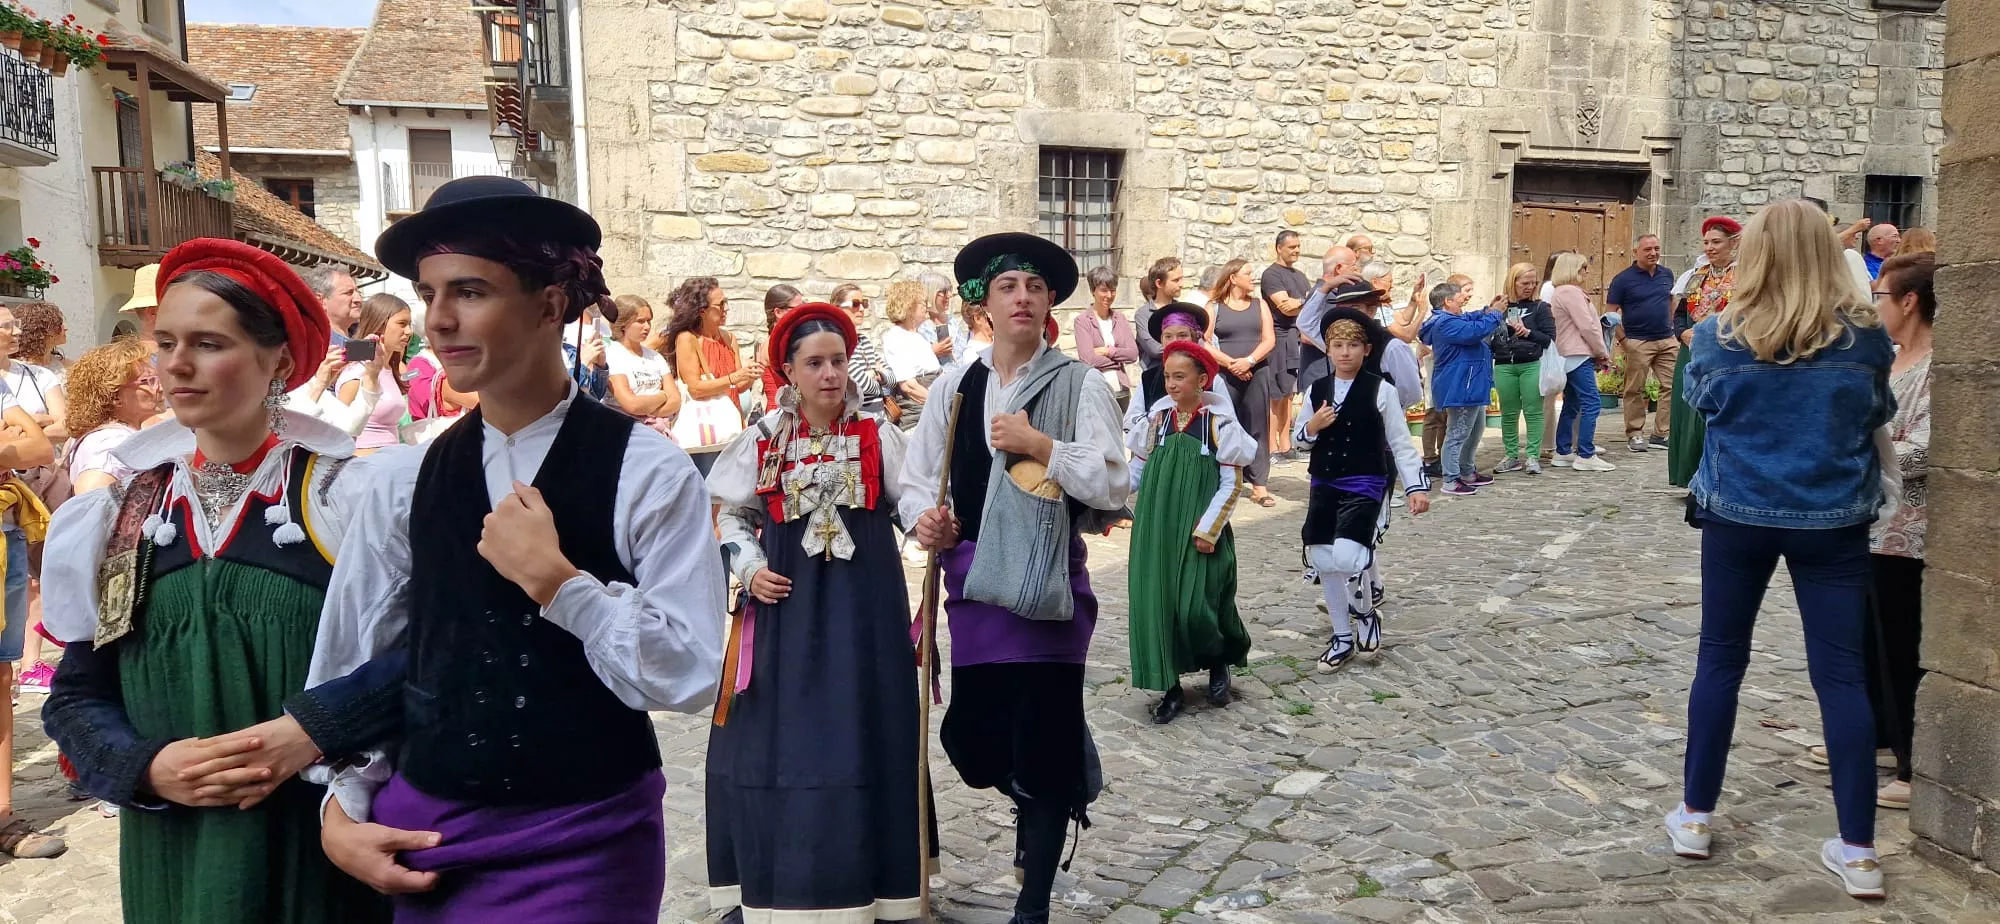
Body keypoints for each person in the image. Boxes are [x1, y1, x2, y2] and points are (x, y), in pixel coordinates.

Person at [286, 175, 725, 921]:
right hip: (429, 833)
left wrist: (563, 587)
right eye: (428, 295)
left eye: (471, 292)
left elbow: (689, 673)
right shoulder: (405, 478)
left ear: (551, 304)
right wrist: (342, 807)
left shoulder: (644, 469)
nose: (439, 321)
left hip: (587, 837)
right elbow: (357, 656)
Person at [38, 238, 383, 913]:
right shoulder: (122, 515)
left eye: (208, 343)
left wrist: (311, 729)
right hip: (175, 856)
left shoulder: (344, 499)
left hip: (310, 846)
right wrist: (146, 769)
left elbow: (419, 662)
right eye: (165, 343)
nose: (176, 366)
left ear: (278, 359)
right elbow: (75, 696)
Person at [1667, 198, 1897, 900]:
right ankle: (1858, 850)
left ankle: (1696, 816)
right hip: (1832, 519)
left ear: (1755, 255)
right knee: (1841, 676)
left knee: (1720, 659)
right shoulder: (1863, 339)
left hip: (1737, 513)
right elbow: (1876, 415)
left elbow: (1705, 406)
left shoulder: (1717, 335)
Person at [903, 232, 1128, 924]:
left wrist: (1042, 447)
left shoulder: (1080, 382)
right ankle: (1055, 783)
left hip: (1051, 592)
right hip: (975, 592)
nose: (1022, 296)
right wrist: (926, 523)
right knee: (973, 741)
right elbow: (916, 484)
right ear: (984, 306)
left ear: (1050, 301)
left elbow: (1114, 479)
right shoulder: (956, 387)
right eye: (1008, 287)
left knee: (1044, 750)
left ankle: (1034, 897)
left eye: (1035, 285)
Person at [704, 302, 924, 920]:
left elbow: (913, 504)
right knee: (787, 734)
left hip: (867, 613)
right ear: (789, 370)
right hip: (787, 613)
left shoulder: (882, 436)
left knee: (867, 726)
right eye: (815, 363)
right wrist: (748, 566)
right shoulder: (765, 439)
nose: (829, 374)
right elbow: (729, 512)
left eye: (837, 361)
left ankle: (881, 885)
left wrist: (930, 523)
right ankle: (780, 879)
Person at [1125, 340, 1255, 724]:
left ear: (1203, 380)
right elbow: (1137, 471)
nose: (1171, 384)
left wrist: (1210, 528)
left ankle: (1217, 662)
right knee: (1159, 605)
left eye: (1179, 377)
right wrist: (1106, 500)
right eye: (1167, 376)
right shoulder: (1155, 422)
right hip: (1155, 527)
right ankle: (1169, 687)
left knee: (1197, 606)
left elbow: (1230, 484)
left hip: (1199, 528)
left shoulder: (1218, 425)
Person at [1296, 305, 1429, 673]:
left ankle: (1366, 614)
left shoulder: (1380, 390)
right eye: (1337, 345)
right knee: (1324, 560)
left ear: (1366, 349)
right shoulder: (1316, 390)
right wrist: (1313, 427)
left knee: (1350, 558)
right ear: (1327, 349)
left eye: (1353, 345)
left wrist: (1415, 487)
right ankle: (1341, 636)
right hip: (1324, 481)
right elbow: (1299, 441)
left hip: (1365, 482)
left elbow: (1401, 443)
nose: (1344, 352)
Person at [1859, 251, 1935, 812]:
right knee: (1870, 640)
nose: (1874, 305)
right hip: (1871, 522)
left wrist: (1864, 456)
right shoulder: (1887, 358)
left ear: (1908, 301)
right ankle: (1880, 736)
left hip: (1911, 529)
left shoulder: (1940, 365)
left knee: (1904, 641)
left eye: (1881, 296)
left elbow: (1929, 445)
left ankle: (1913, 760)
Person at [1668, 217, 1741, 487]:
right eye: (1706, 242)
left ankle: (1717, 476)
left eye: (1716, 242)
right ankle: (1687, 474)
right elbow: (1679, 314)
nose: (1709, 248)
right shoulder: (1696, 277)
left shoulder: (1745, 276)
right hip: (1693, 349)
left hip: (1727, 349)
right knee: (1688, 411)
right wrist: (1681, 332)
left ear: (1733, 243)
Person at [668, 276, 760, 474]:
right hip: (706, 429)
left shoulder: (728, 338)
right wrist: (734, 378)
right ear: (702, 310)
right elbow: (695, 388)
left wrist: (751, 374)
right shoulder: (688, 339)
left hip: (732, 425)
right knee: (706, 489)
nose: (726, 308)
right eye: (721, 304)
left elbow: (738, 387)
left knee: (726, 495)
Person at [1418, 281, 1502, 495]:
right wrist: (1494, 315)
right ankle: (1451, 478)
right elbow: (1474, 331)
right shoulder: (1445, 323)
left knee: (1475, 429)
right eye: (1459, 297)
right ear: (1447, 301)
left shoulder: (1451, 319)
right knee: (1457, 432)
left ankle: (1466, 470)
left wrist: (1488, 310)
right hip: (1460, 385)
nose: (1464, 299)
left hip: (1469, 383)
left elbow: (1470, 318)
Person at [1206, 259, 1278, 507]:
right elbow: (1202, 341)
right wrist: (1231, 364)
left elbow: (1269, 340)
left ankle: (1259, 485)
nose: (1253, 278)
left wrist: (1248, 361)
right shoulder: (1213, 307)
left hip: (1256, 371)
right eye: (1248, 273)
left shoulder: (1260, 305)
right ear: (1233, 277)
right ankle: (1224, 480)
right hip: (1226, 373)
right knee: (1225, 425)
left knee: (1258, 424)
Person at [1607, 234, 1678, 453]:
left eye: (1656, 248)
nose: (1653, 253)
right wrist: (1624, 340)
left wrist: (1673, 325)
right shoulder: (1623, 279)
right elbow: (1610, 314)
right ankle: (1635, 433)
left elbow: (1672, 300)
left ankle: (1661, 433)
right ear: (1635, 252)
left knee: (1673, 386)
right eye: (1647, 249)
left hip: (1666, 340)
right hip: (1638, 341)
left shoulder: (1666, 274)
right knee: (1634, 389)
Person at [62, 339, 160, 494]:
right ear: (115, 396)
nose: (159, 389)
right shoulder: (113, 443)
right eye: (149, 382)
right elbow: (90, 492)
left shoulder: (102, 434)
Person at [1548, 253, 1616, 472]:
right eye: (1583, 268)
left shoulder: (1561, 292)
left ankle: (1563, 450)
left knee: (1572, 403)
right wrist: (1601, 351)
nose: (1586, 272)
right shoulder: (1570, 292)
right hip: (1577, 354)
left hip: (1567, 353)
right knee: (1592, 402)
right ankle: (1586, 453)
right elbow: (1587, 326)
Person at [1491, 263, 1556, 475]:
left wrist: (1527, 332)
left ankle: (1532, 456)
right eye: (1524, 283)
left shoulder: (1540, 308)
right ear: (1513, 282)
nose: (1529, 287)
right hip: (1504, 364)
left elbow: (1549, 339)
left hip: (1530, 363)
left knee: (1533, 411)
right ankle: (1511, 455)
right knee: (1508, 412)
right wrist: (1491, 313)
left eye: (1533, 283)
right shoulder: (1500, 306)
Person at [336, 294, 414, 454]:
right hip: (364, 464)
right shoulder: (357, 371)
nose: (409, 331)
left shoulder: (391, 369)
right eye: (402, 324)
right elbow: (339, 430)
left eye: (409, 324)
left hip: (389, 461)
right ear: (380, 326)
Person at [1261, 231, 1311, 462]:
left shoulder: (1300, 276)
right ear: (1279, 248)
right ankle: (1271, 448)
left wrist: (1298, 303)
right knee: (1275, 395)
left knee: (1289, 393)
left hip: (1295, 337)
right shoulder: (1271, 275)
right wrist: (1303, 301)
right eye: (1291, 247)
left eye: (1298, 246)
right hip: (1278, 337)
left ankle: (1285, 445)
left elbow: (1307, 308)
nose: (1296, 251)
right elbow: (1285, 307)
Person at [604, 294, 680, 435]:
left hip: (659, 432)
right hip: (625, 433)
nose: (647, 326)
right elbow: (631, 404)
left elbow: (675, 400)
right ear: (623, 324)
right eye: (640, 321)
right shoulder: (613, 355)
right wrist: (662, 396)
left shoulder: (655, 357)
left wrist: (646, 411)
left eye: (649, 321)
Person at [1072, 265, 1139, 411]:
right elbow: (1088, 359)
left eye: (1113, 290)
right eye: (1104, 290)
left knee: (1119, 432)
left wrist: (1108, 351)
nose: (1109, 295)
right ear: (1093, 291)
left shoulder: (1120, 319)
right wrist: (1118, 360)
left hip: (1121, 390)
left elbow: (1133, 354)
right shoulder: (1082, 321)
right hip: (1096, 389)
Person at [880, 279, 944, 428]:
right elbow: (909, 386)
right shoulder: (896, 337)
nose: (927, 306)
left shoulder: (918, 335)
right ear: (909, 306)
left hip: (932, 403)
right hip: (918, 412)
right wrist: (938, 405)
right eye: (922, 302)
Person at [757, 284, 806, 410]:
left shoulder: (779, 340)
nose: (802, 313)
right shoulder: (774, 343)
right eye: (797, 309)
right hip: (780, 414)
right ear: (778, 312)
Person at [1133, 257, 1184, 372]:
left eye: (1181, 279)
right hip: (1155, 376)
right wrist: (1184, 346)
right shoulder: (1144, 314)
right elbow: (1154, 349)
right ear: (1159, 283)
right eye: (1176, 280)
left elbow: (1198, 343)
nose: (1181, 284)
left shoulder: (1183, 311)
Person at [299, 265, 362, 342]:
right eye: (348, 293)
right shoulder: (312, 346)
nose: (358, 299)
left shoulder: (362, 341)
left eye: (358, 292)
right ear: (321, 301)